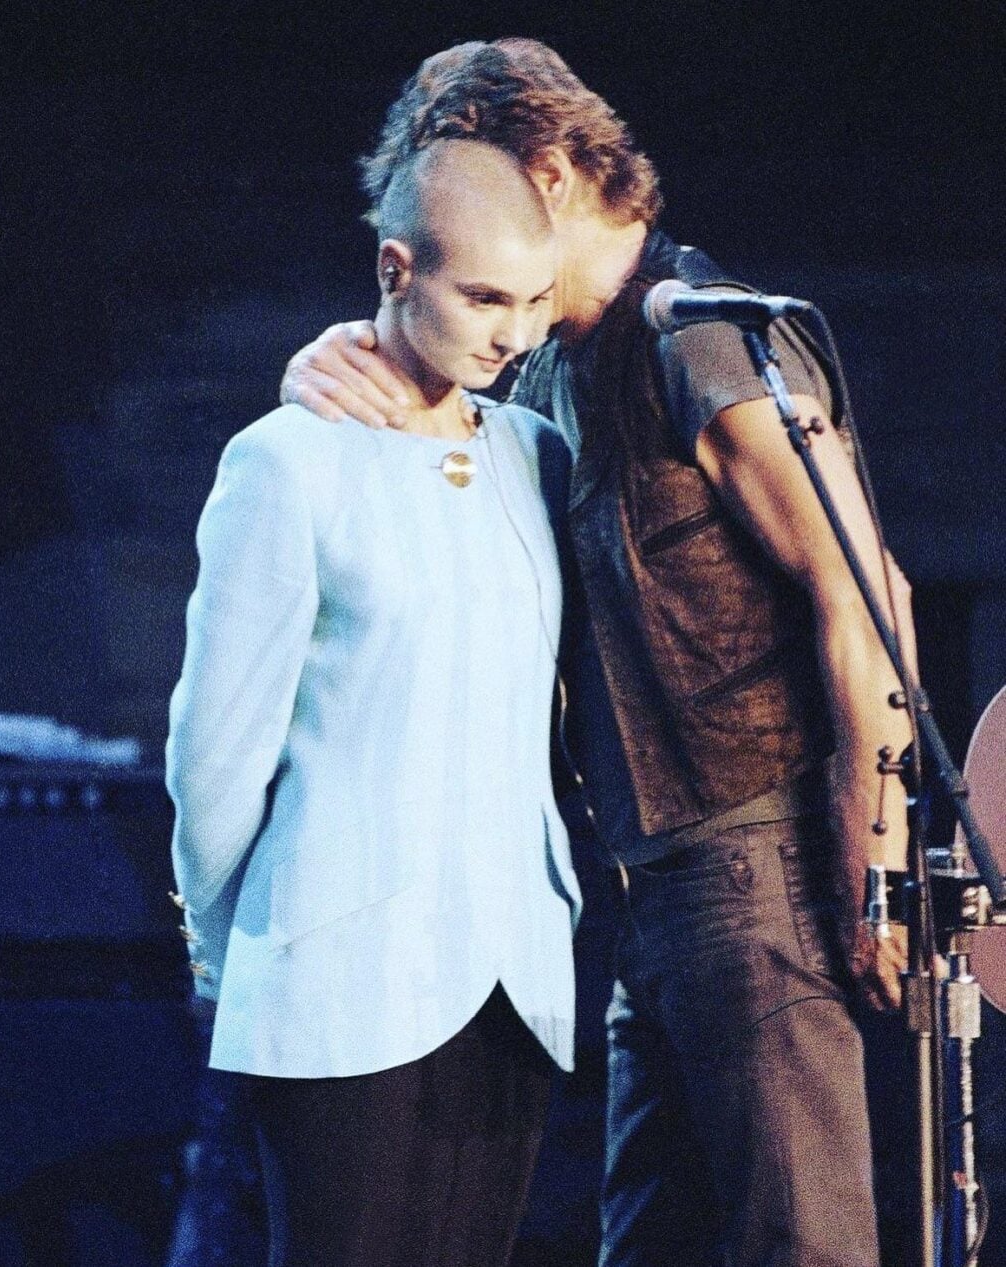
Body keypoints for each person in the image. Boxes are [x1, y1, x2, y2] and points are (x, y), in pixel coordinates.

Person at [280, 38, 921, 1267]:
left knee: (803, 1245)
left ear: (550, 176)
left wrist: (870, 853)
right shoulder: (557, 367)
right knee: (647, 1242)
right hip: (651, 889)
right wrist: (332, 359)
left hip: (763, 865)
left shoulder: (697, 339)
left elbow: (864, 589)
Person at [165, 136, 582, 1267]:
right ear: (397, 270)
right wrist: (223, 954)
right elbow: (215, 748)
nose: (513, 333)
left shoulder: (536, 454)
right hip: (339, 969)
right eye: (484, 298)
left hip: (513, 973)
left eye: (534, 301)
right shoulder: (289, 461)